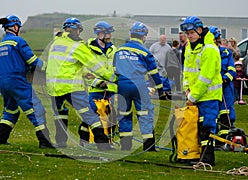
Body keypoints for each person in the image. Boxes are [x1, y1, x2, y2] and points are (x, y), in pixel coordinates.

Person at [45, 17, 117, 151]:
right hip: (71, 87)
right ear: (77, 30)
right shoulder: (77, 45)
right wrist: (113, 78)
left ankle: (61, 142)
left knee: (60, 114)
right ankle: (103, 144)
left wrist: (95, 81)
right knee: (89, 114)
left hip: (53, 87)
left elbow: (70, 65)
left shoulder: (56, 42)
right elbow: (94, 66)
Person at [0, 15, 54, 148]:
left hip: (2, 82)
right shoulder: (18, 41)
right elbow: (32, 61)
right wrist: (48, 68)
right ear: (15, 27)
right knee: (36, 108)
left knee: (10, 110)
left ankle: (0, 139)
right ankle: (45, 141)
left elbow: (12, 62)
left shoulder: (1, 44)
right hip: (16, 80)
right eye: (19, 27)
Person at [114, 22, 163, 151]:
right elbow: (154, 73)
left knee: (124, 114)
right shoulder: (145, 52)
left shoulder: (119, 50)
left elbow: (114, 70)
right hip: (139, 85)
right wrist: (161, 89)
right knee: (145, 114)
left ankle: (125, 145)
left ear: (131, 34)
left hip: (122, 84)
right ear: (144, 36)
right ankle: (148, 145)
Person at [180, 16, 222, 165]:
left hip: (209, 96)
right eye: (187, 33)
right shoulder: (188, 48)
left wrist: (193, 96)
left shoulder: (209, 49)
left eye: (191, 32)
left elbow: (206, 77)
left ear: (199, 30)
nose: (189, 36)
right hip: (195, 95)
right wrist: (187, 89)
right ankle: (194, 155)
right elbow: (187, 71)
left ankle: (207, 159)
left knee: (207, 127)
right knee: (195, 126)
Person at [83, 21, 117, 144]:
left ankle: (110, 141)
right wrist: (97, 82)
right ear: (99, 33)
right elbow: (86, 71)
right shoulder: (89, 49)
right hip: (95, 90)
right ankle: (88, 140)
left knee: (112, 118)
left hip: (111, 91)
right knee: (93, 117)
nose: (110, 36)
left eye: (110, 33)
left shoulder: (113, 49)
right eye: (107, 33)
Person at [209, 26, 236, 148]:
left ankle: (224, 140)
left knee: (225, 113)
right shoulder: (207, 53)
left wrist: (225, 78)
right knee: (212, 114)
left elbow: (232, 70)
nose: (217, 40)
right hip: (212, 88)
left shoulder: (226, 53)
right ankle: (213, 139)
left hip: (225, 89)